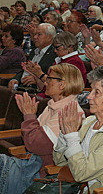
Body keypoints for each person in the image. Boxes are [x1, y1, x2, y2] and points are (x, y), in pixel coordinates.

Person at [0, 64, 84, 193]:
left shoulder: (69, 111)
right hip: (31, 163)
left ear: (62, 85)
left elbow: (35, 144)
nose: (46, 82)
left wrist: (29, 115)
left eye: (50, 79)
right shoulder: (53, 105)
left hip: (43, 173)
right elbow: (31, 138)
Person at [53, 66, 103, 191]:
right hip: (77, 188)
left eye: (96, 92)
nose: (89, 96)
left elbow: (82, 173)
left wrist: (71, 136)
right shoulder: (89, 122)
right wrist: (65, 132)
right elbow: (59, 161)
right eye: (91, 90)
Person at [8, 23, 57, 91]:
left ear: (49, 37)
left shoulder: (54, 54)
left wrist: (37, 80)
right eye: (35, 34)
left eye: (39, 34)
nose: (35, 37)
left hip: (36, 90)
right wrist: (15, 79)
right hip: (21, 87)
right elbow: (24, 70)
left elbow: (54, 78)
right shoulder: (34, 51)